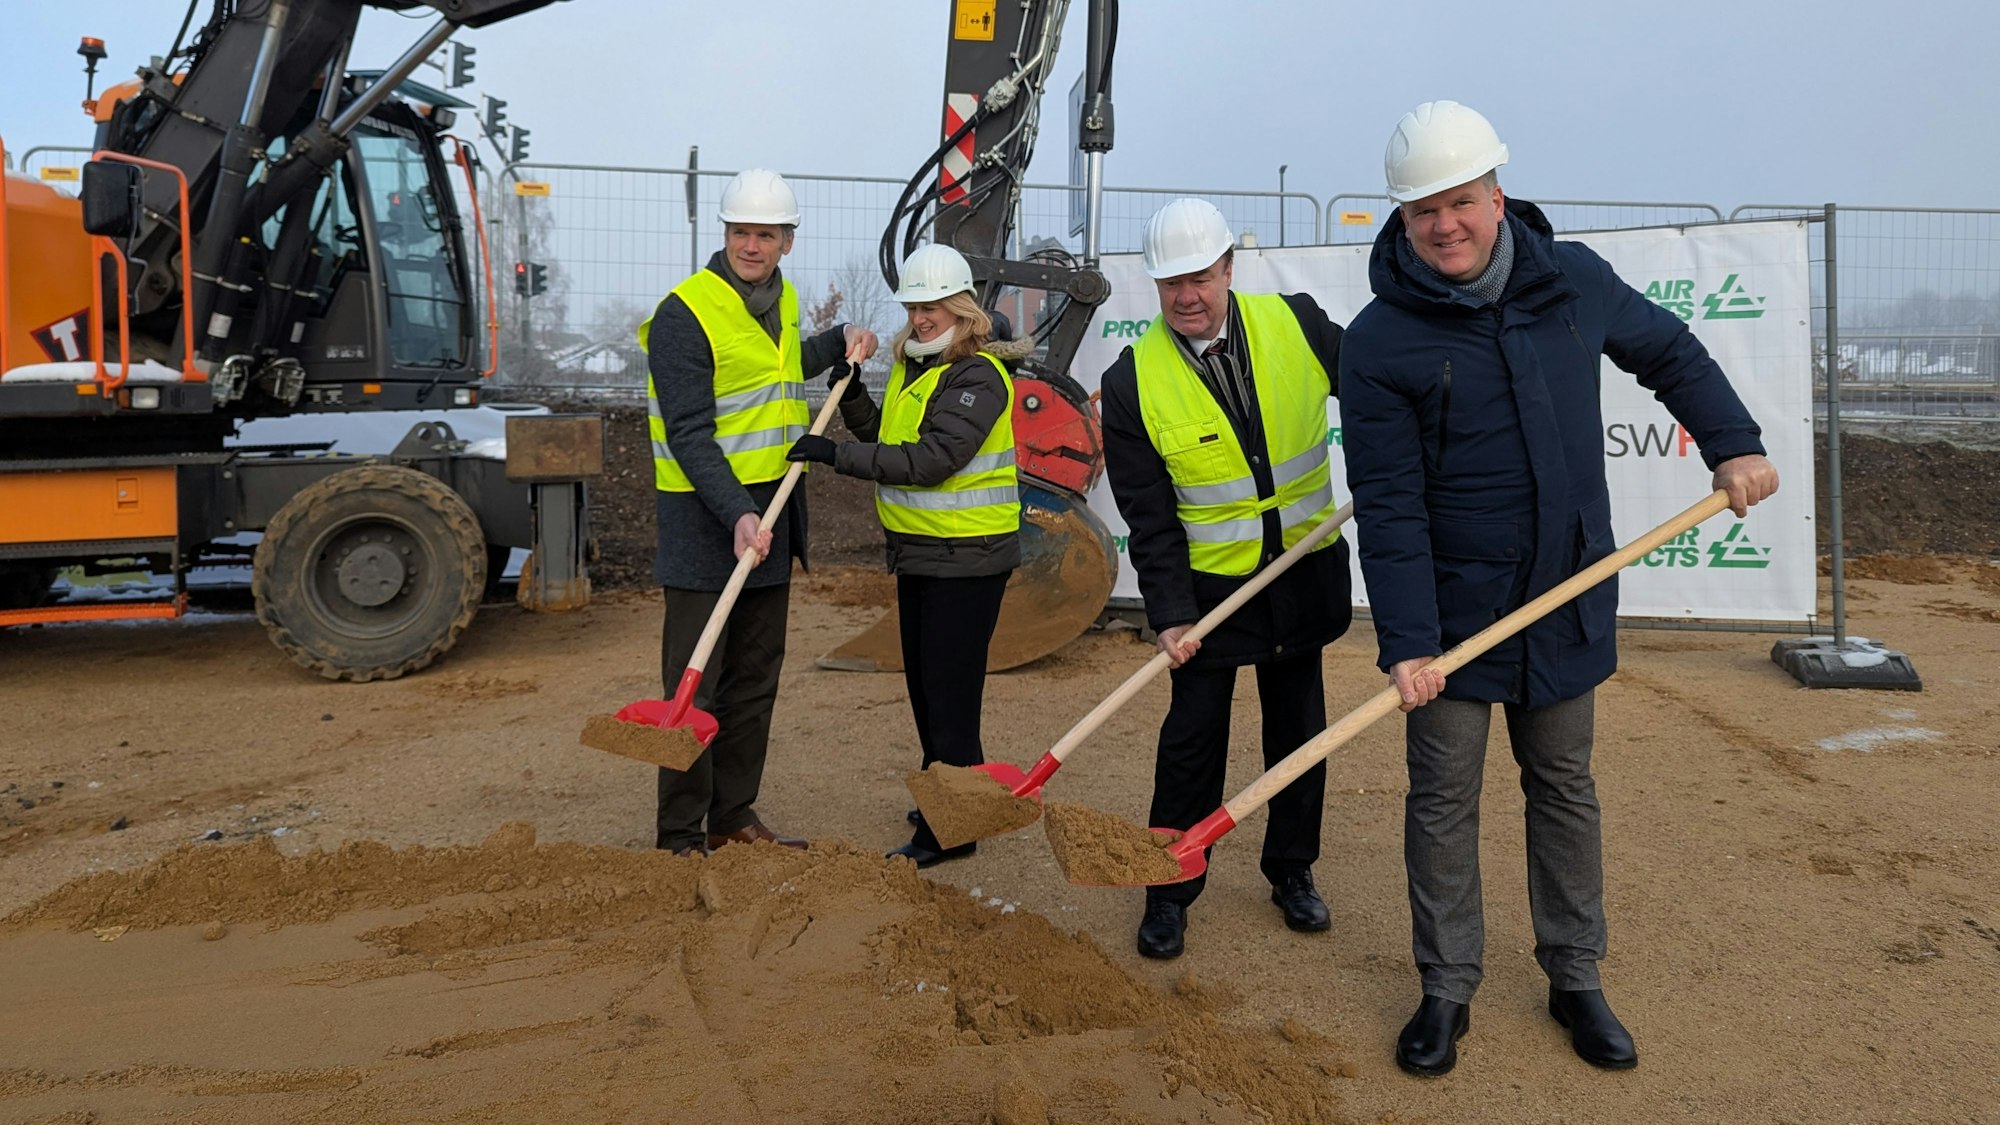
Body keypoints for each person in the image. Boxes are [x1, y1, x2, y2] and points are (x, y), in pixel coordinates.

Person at [1338, 101, 1781, 1076]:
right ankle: (1444, 988)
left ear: (1495, 194)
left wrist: (1733, 443)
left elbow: (1667, 351)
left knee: (1563, 787)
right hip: (1453, 615)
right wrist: (1407, 640)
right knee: (1442, 800)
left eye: (1459, 202)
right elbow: (1389, 504)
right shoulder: (1378, 340)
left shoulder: (1570, 282)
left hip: (1566, 588)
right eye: (1423, 211)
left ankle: (1573, 973)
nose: (1444, 225)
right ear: (1400, 221)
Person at [1098, 198, 1352, 961]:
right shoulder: (1131, 379)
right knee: (1191, 740)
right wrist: (1169, 613)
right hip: (1211, 594)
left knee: (1299, 730)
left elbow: (1378, 396)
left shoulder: (1297, 325)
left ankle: (1292, 869)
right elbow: (1149, 515)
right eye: (1170, 281)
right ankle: (1169, 885)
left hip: (1301, 574)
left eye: (1200, 277)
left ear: (1229, 269)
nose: (1186, 295)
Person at [641, 168, 878, 858]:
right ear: (726, 234)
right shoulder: (684, 314)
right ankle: (681, 833)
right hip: (705, 523)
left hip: (771, 516)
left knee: (754, 680)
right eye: (741, 232)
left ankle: (732, 813)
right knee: (696, 687)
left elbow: (773, 374)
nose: (752, 244)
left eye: (765, 234)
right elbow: (689, 433)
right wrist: (737, 514)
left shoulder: (782, 300)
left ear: (787, 242)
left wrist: (837, 342)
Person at [786, 243, 1029, 868]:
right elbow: (887, 440)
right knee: (926, 685)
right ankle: (946, 795)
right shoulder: (913, 365)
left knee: (949, 693)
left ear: (962, 307)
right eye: (915, 306)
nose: (921, 317)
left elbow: (930, 461)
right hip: (922, 553)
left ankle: (952, 828)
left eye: (934, 306)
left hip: (969, 558)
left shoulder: (977, 375)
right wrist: (855, 397)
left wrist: (834, 457)